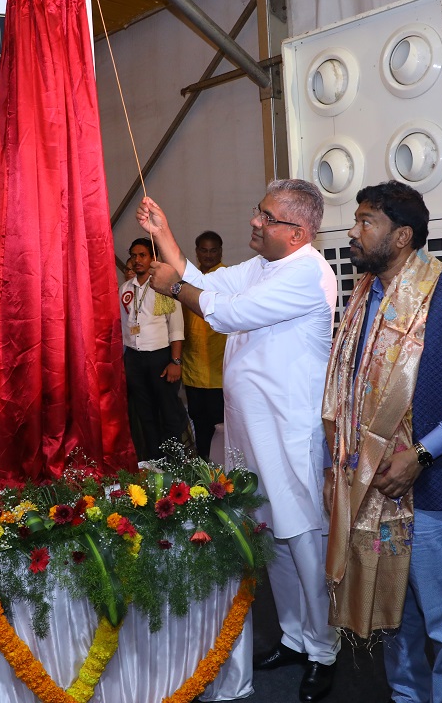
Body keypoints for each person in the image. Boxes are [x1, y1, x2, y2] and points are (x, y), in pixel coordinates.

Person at [138, 180, 340, 703]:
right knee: (270, 537)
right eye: (258, 211)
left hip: (289, 431)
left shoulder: (307, 273)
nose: (255, 221)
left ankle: (323, 649)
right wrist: (165, 235)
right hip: (251, 431)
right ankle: (294, 637)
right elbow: (207, 283)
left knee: (303, 539)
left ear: (297, 233)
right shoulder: (263, 266)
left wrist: (172, 289)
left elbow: (225, 313)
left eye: (267, 217)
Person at [323, 181, 442, 703]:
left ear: (402, 236)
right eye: (356, 220)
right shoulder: (362, 300)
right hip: (370, 487)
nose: (353, 232)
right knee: (393, 616)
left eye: (366, 222)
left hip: (432, 487)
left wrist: (421, 453)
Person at [119, 238, 185, 461]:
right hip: (134, 358)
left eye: (142, 255)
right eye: (133, 255)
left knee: (168, 411)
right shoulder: (125, 289)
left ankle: (174, 463)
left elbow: (176, 327)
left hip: (160, 357)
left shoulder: (164, 286)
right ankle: (154, 461)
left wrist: (175, 361)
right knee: (145, 413)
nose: (137, 260)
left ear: (152, 257)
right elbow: (122, 326)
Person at [181, 231, 227, 458]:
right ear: (197, 252)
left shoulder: (228, 278)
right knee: (200, 423)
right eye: (204, 250)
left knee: (222, 427)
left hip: (220, 371)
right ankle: (203, 470)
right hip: (193, 369)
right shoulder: (189, 280)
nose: (208, 255)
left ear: (220, 251)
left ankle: (225, 473)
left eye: (213, 250)